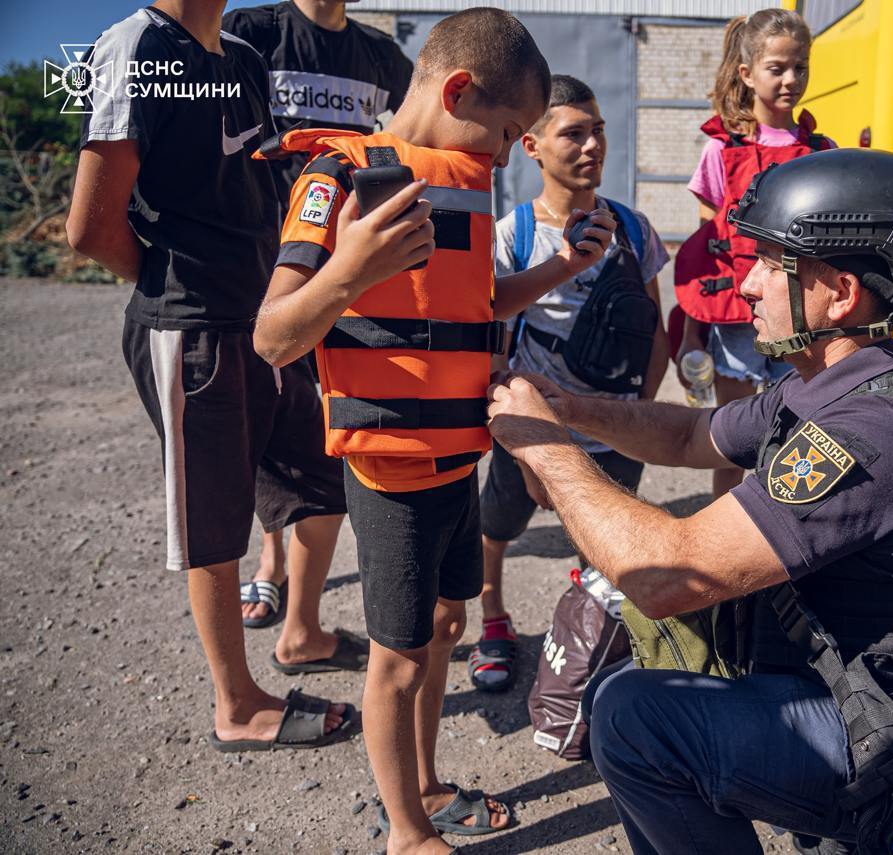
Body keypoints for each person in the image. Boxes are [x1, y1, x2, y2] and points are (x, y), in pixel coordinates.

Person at [486, 148, 893, 854]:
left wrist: (540, 446)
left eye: (768, 263)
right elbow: (692, 432)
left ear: (839, 294)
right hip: (841, 699)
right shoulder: (822, 389)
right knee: (644, 691)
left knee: (632, 712)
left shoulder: (871, 435)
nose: (745, 286)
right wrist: (571, 410)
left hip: (891, 743)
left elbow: (665, 574)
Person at [251, 9, 618, 852]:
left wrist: (562, 267)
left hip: (458, 460)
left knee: (445, 629)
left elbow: (474, 305)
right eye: (506, 132)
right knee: (401, 659)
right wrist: (348, 270)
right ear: (457, 92)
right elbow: (274, 335)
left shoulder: (462, 174)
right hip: (391, 472)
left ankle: (422, 783)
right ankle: (407, 834)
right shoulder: (336, 175)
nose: (505, 153)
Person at [66, 0, 357, 751]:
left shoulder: (242, 57)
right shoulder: (135, 47)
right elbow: (90, 228)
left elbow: (257, 184)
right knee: (214, 518)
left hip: (266, 321)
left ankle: (302, 632)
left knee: (320, 473)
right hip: (193, 327)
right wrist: (180, 290)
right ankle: (237, 704)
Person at [467, 74, 670, 693]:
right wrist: (529, 452)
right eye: (574, 133)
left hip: (615, 429)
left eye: (599, 131)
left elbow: (654, 331)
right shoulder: (515, 236)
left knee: (604, 545)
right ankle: (492, 617)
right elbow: (493, 349)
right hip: (536, 431)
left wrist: (639, 419)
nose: (592, 146)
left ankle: (585, 631)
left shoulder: (634, 229)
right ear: (531, 145)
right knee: (496, 528)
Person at [223, 0, 413, 629]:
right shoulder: (253, 33)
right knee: (268, 415)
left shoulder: (380, 54)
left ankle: (318, 564)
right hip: (267, 260)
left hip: (351, 264)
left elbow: (420, 128)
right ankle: (270, 562)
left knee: (318, 418)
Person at [674, 8, 836, 499]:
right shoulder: (720, 151)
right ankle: (727, 528)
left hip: (802, 316)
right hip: (736, 321)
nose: (791, 79)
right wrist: (690, 335)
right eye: (778, 68)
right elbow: (707, 249)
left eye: (800, 67)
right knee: (734, 438)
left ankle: (788, 523)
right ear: (747, 74)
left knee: (800, 431)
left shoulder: (823, 151)